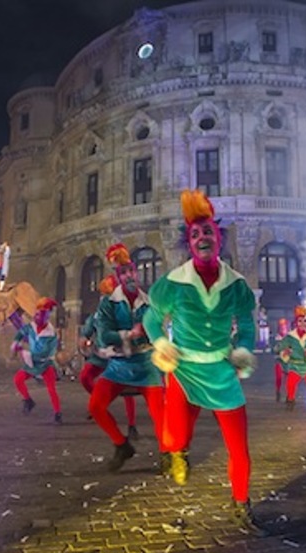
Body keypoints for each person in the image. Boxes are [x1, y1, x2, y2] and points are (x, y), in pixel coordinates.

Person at [143, 189, 265, 535]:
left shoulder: (237, 285)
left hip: (222, 372)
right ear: (189, 243)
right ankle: (175, 452)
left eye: (208, 231)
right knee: (177, 434)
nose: (202, 238)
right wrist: (162, 344)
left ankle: (241, 504)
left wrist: (243, 349)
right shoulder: (174, 283)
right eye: (195, 234)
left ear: (219, 238)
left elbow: (247, 322)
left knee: (239, 446)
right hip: (183, 369)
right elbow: (153, 319)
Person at [88, 243, 165, 472]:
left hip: (146, 365)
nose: (130, 275)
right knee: (95, 406)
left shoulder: (149, 302)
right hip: (119, 366)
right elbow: (103, 337)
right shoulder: (108, 304)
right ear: (118, 277)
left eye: (131, 270)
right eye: (124, 273)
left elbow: (157, 329)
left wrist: (151, 334)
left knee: (160, 412)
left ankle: (167, 454)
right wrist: (129, 335)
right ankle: (122, 445)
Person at [78, 274, 137, 430]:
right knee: (85, 377)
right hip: (100, 355)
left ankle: (131, 425)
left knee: (126, 389)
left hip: (119, 355)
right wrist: (84, 336)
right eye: (103, 294)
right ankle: (98, 403)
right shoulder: (99, 312)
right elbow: (91, 324)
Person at [12, 297, 63, 424]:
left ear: (47, 316)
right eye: (37, 313)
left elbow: (46, 352)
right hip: (32, 362)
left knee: (51, 389)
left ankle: (58, 413)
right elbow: (20, 332)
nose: (37, 316)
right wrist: (16, 342)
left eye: (41, 314)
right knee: (18, 379)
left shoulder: (52, 335)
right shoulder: (31, 327)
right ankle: (28, 400)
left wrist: (24, 352)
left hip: (45, 363)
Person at [271, 317, 289, 402]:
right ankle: (278, 391)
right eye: (282, 327)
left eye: (285, 327)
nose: (283, 329)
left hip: (288, 361)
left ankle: (289, 395)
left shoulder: (289, 338)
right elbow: (273, 350)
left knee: (288, 379)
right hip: (278, 360)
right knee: (279, 378)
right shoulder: (275, 338)